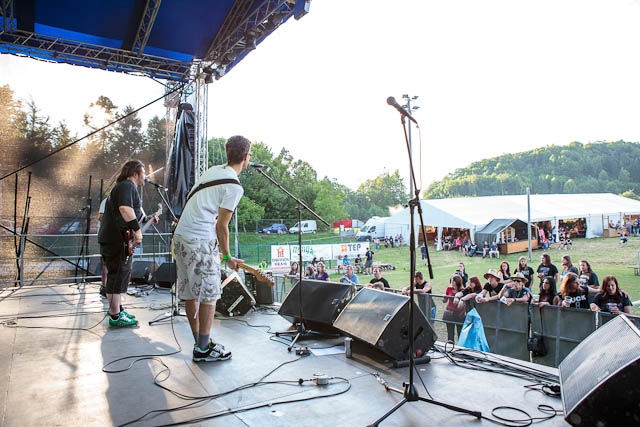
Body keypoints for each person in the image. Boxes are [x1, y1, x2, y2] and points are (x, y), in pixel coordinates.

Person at [173, 136, 250, 362]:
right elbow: (222, 225)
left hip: (181, 235)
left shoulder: (213, 171)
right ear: (245, 158)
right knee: (209, 292)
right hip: (199, 237)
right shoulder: (234, 186)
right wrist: (226, 256)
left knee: (190, 292)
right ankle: (204, 349)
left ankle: (200, 342)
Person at [98, 160, 156, 327]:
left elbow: (131, 213)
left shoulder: (125, 187)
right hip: (116, 239)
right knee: (116, 276)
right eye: (144, 173)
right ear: (135, 174)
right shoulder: (126, 186)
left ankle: (118, 310)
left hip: (116, 238)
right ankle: (115, 316)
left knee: (119, 275)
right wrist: (137, 231)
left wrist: (146, 219)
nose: (146, 177)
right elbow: (125, 209)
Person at [443, 274, 466, 342]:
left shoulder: (463, 290)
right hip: (450, 313)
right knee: (450, 334)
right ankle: (450, 347)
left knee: (460, 333)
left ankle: (460, 348)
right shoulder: (449, 289)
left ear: (458, 281)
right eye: (451, 280)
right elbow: (444, 301)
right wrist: (444, 297)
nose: (452, 282)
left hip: (459, 314)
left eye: (454, 280)